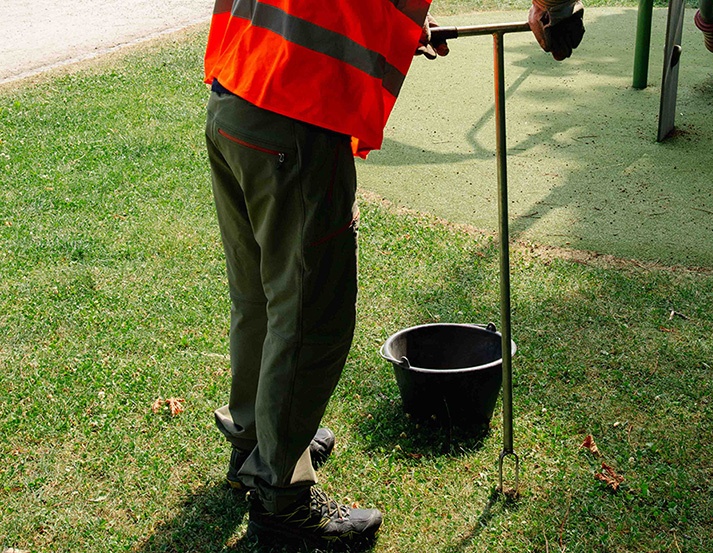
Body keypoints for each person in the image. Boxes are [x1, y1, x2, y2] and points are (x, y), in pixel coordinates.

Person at [203, 0, 584, 548]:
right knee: (310, 316)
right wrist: (554, 9)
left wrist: (398, 24)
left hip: (237, 91)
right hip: (294, 118)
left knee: (261, 295)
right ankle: (281, 498)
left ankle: (257, 442)